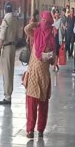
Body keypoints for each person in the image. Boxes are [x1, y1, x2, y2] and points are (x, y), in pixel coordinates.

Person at [24, 11, 56, 139]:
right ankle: (39, 130)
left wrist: (37, 23)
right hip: (42, 76)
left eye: (44, 21)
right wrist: (47, 57)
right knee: (42, 105)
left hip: (35, 75)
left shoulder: (36, 34)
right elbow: (53, 60)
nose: (43, 23)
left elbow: (27, 28)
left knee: (32, 104)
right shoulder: (50, 39)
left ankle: (31, 130)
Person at [0, 2, 19, 105]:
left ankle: (7, 97)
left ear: (5, 10)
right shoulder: (15, 19)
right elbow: (18, 36)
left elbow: (1, 37)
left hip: (6, 48)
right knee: (11, 72)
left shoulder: (5, 20)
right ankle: (9, 94)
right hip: (13, 47)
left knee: (6, 72)